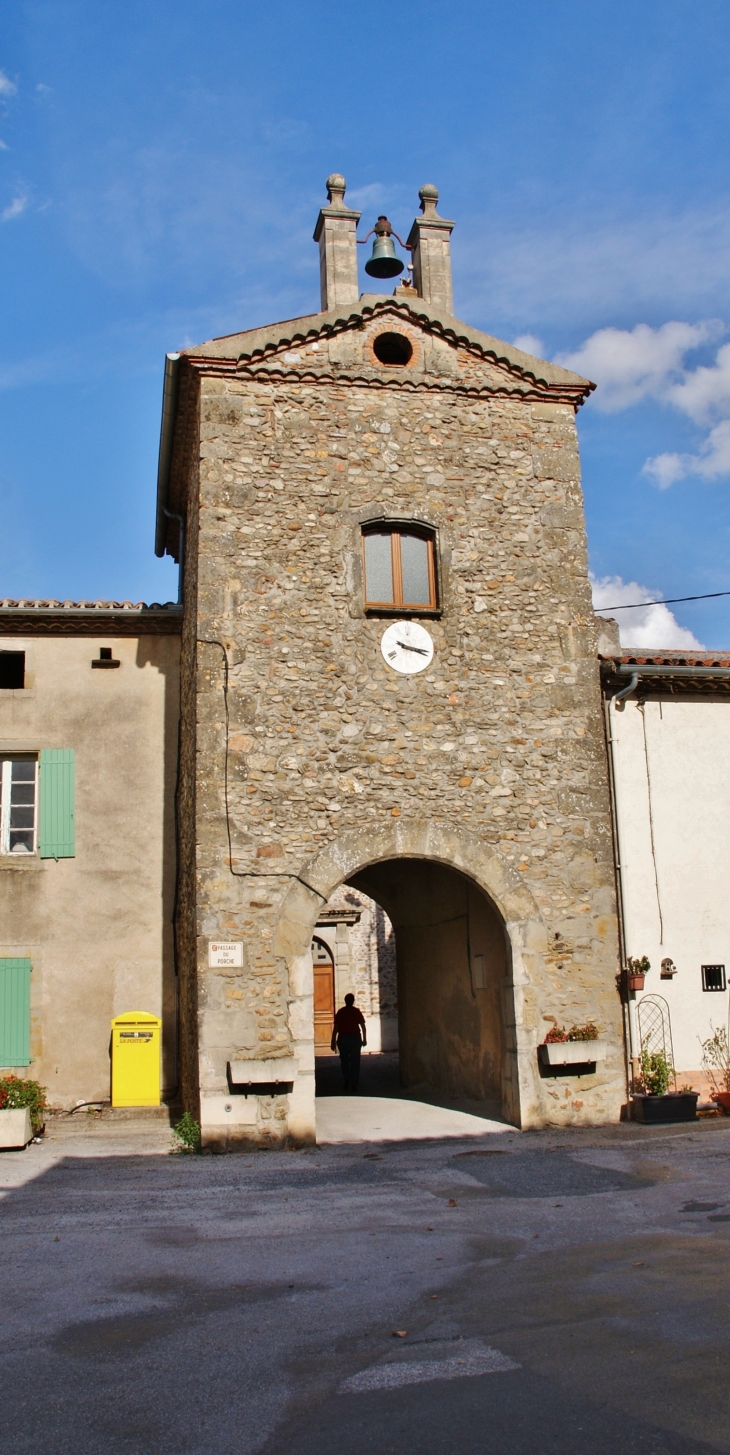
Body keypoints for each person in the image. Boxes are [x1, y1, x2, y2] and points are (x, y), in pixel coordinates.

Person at [331, 993, 367, 1093]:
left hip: (343, 1038)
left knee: (345, 1060)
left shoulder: (341, 1012)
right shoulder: (356, 1012)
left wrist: (333, 1041)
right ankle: (354, 1082)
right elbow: (363, 1026)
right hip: (355, 1038)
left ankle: (347, 1078)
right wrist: (364, 1039)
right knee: (355, 1061)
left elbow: (336, 1028)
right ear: (353, 1001)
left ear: (345, 1000)